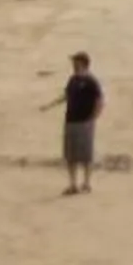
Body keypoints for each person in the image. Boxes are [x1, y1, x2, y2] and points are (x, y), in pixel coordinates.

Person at [46, 51, 104, 193]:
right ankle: (73, 184)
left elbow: (99, 100)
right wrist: (50, 105)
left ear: (82, 63)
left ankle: (86, 183)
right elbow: (66, 95)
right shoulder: (73, 79)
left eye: (75, 62)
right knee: (71, 154)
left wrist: (93, 118)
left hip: (85, 121)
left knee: (85, 154)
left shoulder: (91, 81)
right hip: (70, 120)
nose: (73, 64)